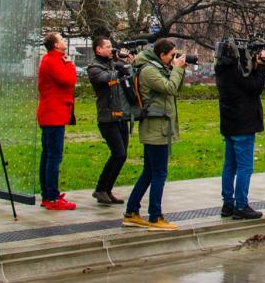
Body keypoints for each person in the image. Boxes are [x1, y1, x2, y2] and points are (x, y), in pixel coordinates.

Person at [122, 39, 187, 231]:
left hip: (158, 127)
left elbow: (176, 89)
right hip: (156, 128)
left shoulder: (158, 67)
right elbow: (169, 88)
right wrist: (178, 69)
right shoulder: (149, 70)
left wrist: (179, 69)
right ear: (161, 55)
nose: (174, 58)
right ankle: (155, 217)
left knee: (149, 172)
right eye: (172, 55)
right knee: (159, 173)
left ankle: (131, 212)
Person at [215, 39, 265, 220]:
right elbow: (255, 87)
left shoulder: (221, 70)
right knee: (245, 167)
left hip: (229, 124)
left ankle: (227, 204)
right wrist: (261, 67)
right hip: (243, 125)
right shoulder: (237, 72)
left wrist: (251, 63)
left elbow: (244, 83)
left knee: (229, 166)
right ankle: (241, 205)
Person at [87, 36, 134, 205]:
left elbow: (127, 74)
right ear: (98, 49)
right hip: (107, 117)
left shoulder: (111, 64)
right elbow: (107, 78)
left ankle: (107, 190)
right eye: (107, 46)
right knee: (118, 153)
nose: (111, 49)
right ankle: (100, 189)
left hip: (120, 116)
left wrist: (127, 62)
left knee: (122, 156)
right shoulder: (94, 67)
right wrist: (120, 64)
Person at [37, 32, 77, 210]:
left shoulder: (51, 60)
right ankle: (51, 196)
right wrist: (70, 65)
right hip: (54, 114)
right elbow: (68, 80)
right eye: (61, 39)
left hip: (53, 113)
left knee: (48, 154)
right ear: (55, 45)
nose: (63, 41)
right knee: (53, 155)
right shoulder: (53, 61)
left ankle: (48, 193)